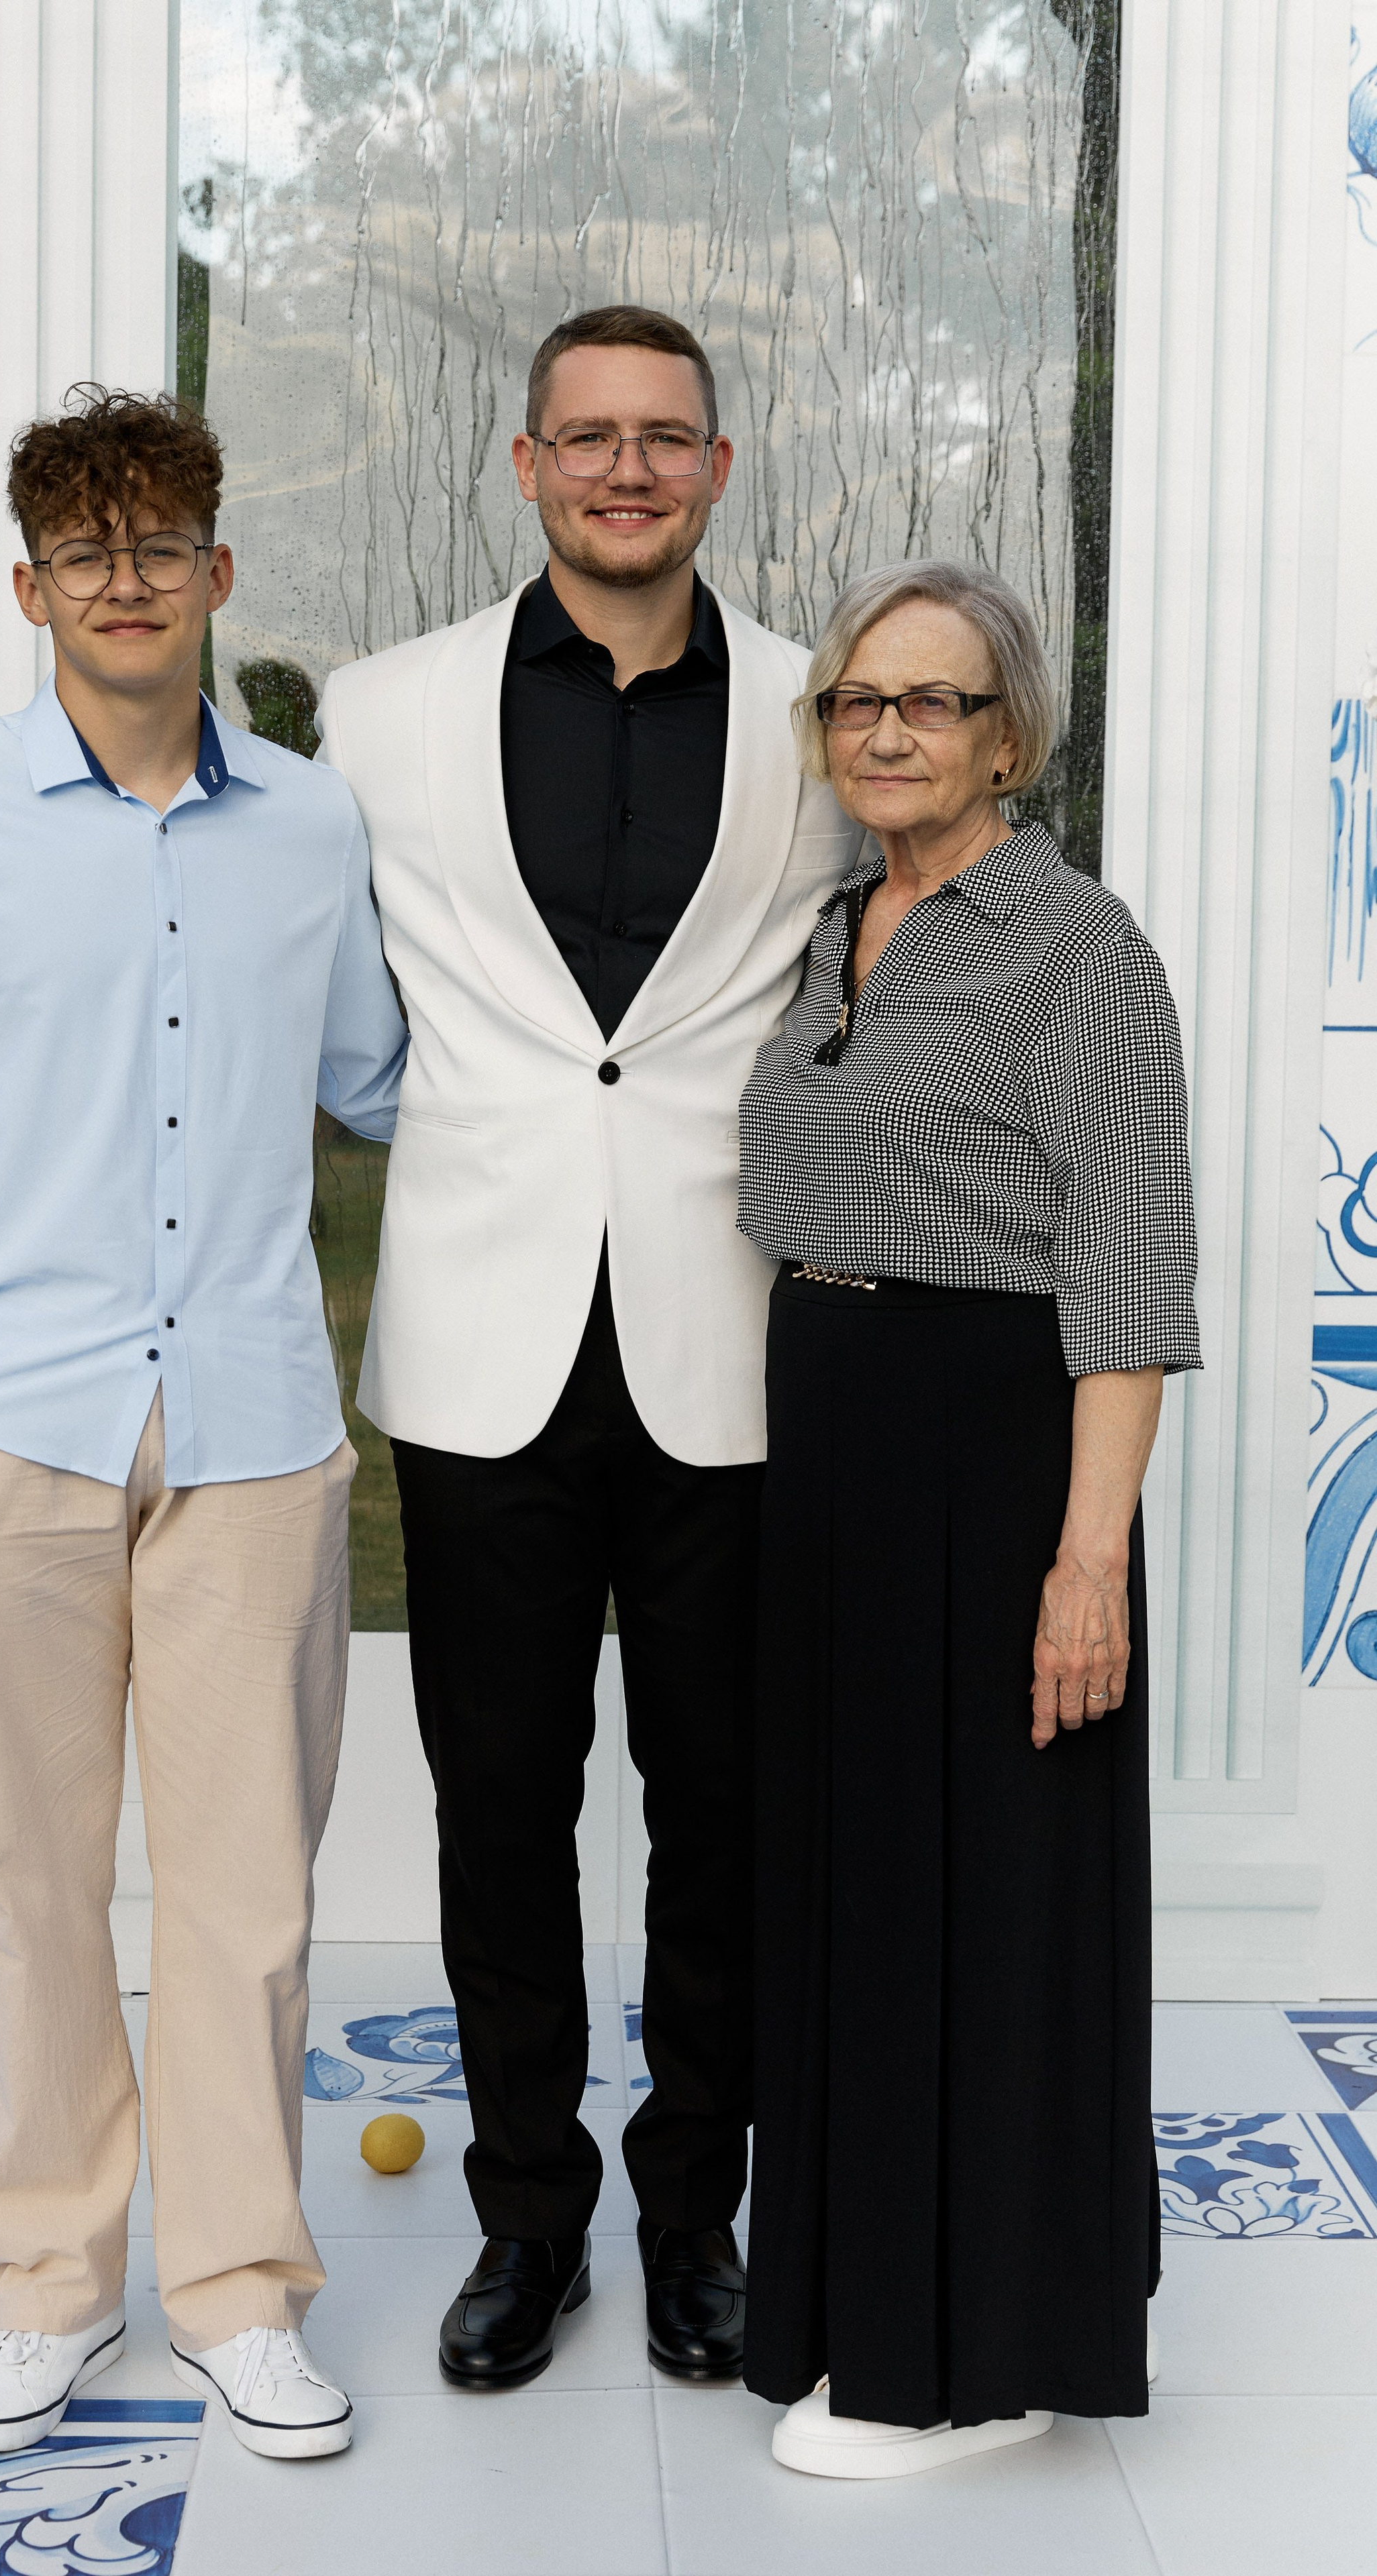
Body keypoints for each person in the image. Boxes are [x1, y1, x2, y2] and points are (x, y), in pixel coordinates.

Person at [0, 385, 406, 2461]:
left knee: (250, 1894)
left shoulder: (319, 825)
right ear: (32, 587)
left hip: (252, 1428)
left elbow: (376, 1076)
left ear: (220, 573)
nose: (130, 577)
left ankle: (242, 2290)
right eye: (89, 549)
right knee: (34, 1880)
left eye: (164, 541)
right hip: (13, 1432)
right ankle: (55, 2283)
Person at [317, 307, 860, 2390]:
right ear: (524, 461)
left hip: (731, 1342)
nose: (627, 471)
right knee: (500, 1809)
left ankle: (694, 2219)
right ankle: (528, 2224)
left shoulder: (829, 709)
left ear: (721, 467)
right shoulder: (379, 715)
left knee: (722, 1816)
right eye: (588, 439)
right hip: (480, 1352)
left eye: (667, 440)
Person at [737, 559, 1198, 2477]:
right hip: (829, 1434)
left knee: (993, 1897)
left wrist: (1085, 1562)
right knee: (853, 1881)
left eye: (932, 703)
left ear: (1009, 733)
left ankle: (982, 2356)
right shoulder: (838, 921)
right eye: (860, 702)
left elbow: (1132, 1275)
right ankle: (854, 2302)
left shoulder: (1076, 947)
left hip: (1001, 1450)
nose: (889, 732)